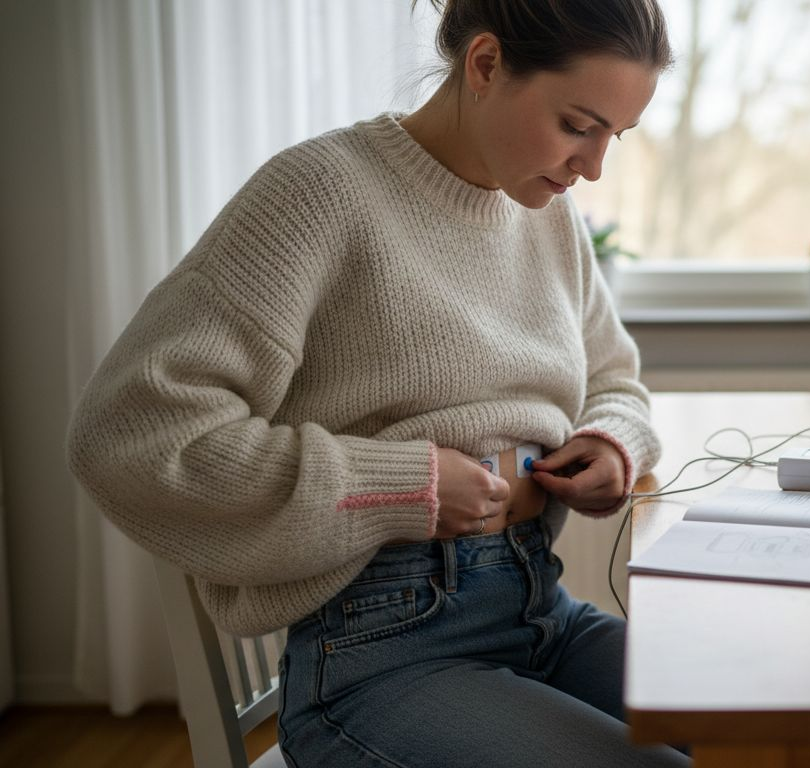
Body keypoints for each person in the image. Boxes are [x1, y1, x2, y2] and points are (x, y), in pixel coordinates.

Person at [66, 0, 688, 764]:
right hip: (377, 655)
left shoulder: (548, 218)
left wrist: (609, 444)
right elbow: (131, 435)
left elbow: (616, 381)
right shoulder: (318, 194)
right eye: (577, 126)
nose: (592, 167)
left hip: (542, 611)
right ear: (486, 65)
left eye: (613, 138)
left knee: (772, 731)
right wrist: (403, 485)